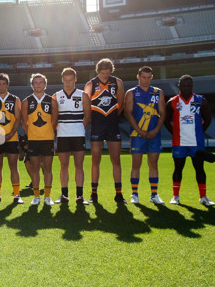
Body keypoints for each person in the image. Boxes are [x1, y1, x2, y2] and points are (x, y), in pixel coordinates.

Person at [164, 75, 214, 206]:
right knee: (178, 168)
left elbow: (208, 119)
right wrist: (175, 132)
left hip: (196, 142)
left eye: (189, 85)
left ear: (192, 86)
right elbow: (165, 120)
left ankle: (203, 197)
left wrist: (199, 131)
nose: (187, 88)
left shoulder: (201, 100)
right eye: (184, 85)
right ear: (179, 86)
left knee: (199, 169)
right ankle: (175, 196)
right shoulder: (172, 102)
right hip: (179, 143)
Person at [84, 58, 126, 204]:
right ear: (98, 71)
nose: (104, 76)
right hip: (97, 125)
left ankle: (119, 194)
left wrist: (113, 116)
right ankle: (93, 194)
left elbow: (121, 102)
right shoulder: (91, 84)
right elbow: (85, 104)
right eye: (102, 73)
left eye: (107, 74)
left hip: (112, 125)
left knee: (116, 159)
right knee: (96, 159)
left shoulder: (117, 82)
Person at [124, 66, 166, 205]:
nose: (146, 80)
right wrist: (139, 130)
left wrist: (156, 130)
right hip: (137, 134)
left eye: (149, 77)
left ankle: (154, 194)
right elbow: (128, 113)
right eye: (143, 77)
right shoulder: (131, 93)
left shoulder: (158, 92)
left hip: (154, 134)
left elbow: (162, 113)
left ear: (152, 77)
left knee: (153, 164)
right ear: (138, 77)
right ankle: (134, 194)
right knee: (136, 164)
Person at [53, 68, 90, 204]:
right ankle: (64, 195)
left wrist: (78, 128)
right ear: (62, 80)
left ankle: (79, 196)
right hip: (62, 135)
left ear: (75, 79)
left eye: (71, 80)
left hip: (78, 135)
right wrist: (61, 129)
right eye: (65, 80)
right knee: (64, 165)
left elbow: (87, 116)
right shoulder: (56, 96)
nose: (68, 83)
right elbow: (54, 118)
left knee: (79, 165)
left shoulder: (83, 95)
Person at [21, 73, 58, 206]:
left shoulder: (52, 101)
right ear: (32, 85)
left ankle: (47, 196)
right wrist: (31, 134)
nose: (38, 84)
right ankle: (36, 196)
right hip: (33, 140)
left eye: (41, 82)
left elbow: (55, 120)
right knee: (35, 168)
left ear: (45, 84)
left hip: (48, 139)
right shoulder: (26, 101)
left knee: (48, 168)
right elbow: (24, 122)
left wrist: (48, 131)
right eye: (35, 82)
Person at [0, 73, 22, 204]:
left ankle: (17, 195)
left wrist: (11, 133)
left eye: (4, 84)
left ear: (7, 84)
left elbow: (18, 119)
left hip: (12, 137)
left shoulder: (15, 99)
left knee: (14, 166)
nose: (1, 86)